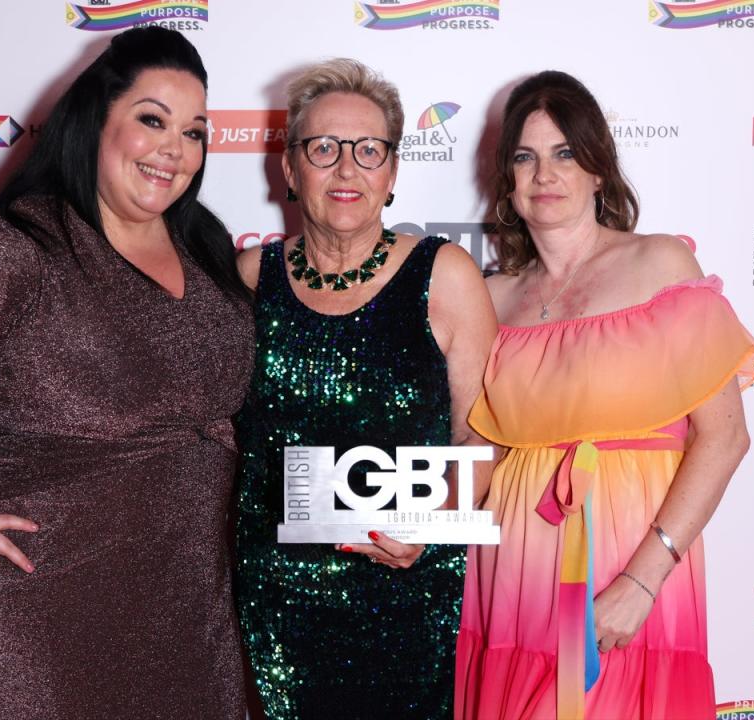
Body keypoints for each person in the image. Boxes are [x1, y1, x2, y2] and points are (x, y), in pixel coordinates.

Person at [0, 27, 253, 720]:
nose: (175, 148)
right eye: (152, 120)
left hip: (188, 597)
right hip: (42, 604)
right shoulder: (20, 246)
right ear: (95, 119)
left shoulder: (207, 245)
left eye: (195, 132)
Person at [455, 70, 754, 720]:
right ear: (507, 178)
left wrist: (643, 581)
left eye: (565, 152)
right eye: (526, 157)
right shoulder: (492, 298)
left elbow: (726, 436)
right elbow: (481, 450)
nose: (545, 174)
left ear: (599, 169)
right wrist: (408, 520)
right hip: (513, 580)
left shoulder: (660, 265)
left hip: (628, 564)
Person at [233, 59, 497, 719]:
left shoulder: (444, 275)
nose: (346, 168)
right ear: (290, 169)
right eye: (322, 148)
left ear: (392, 171)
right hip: (273, 602)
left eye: (368, 150)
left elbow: (483, 432)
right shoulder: (245, 277)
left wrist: (431, 522)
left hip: (407, 593)